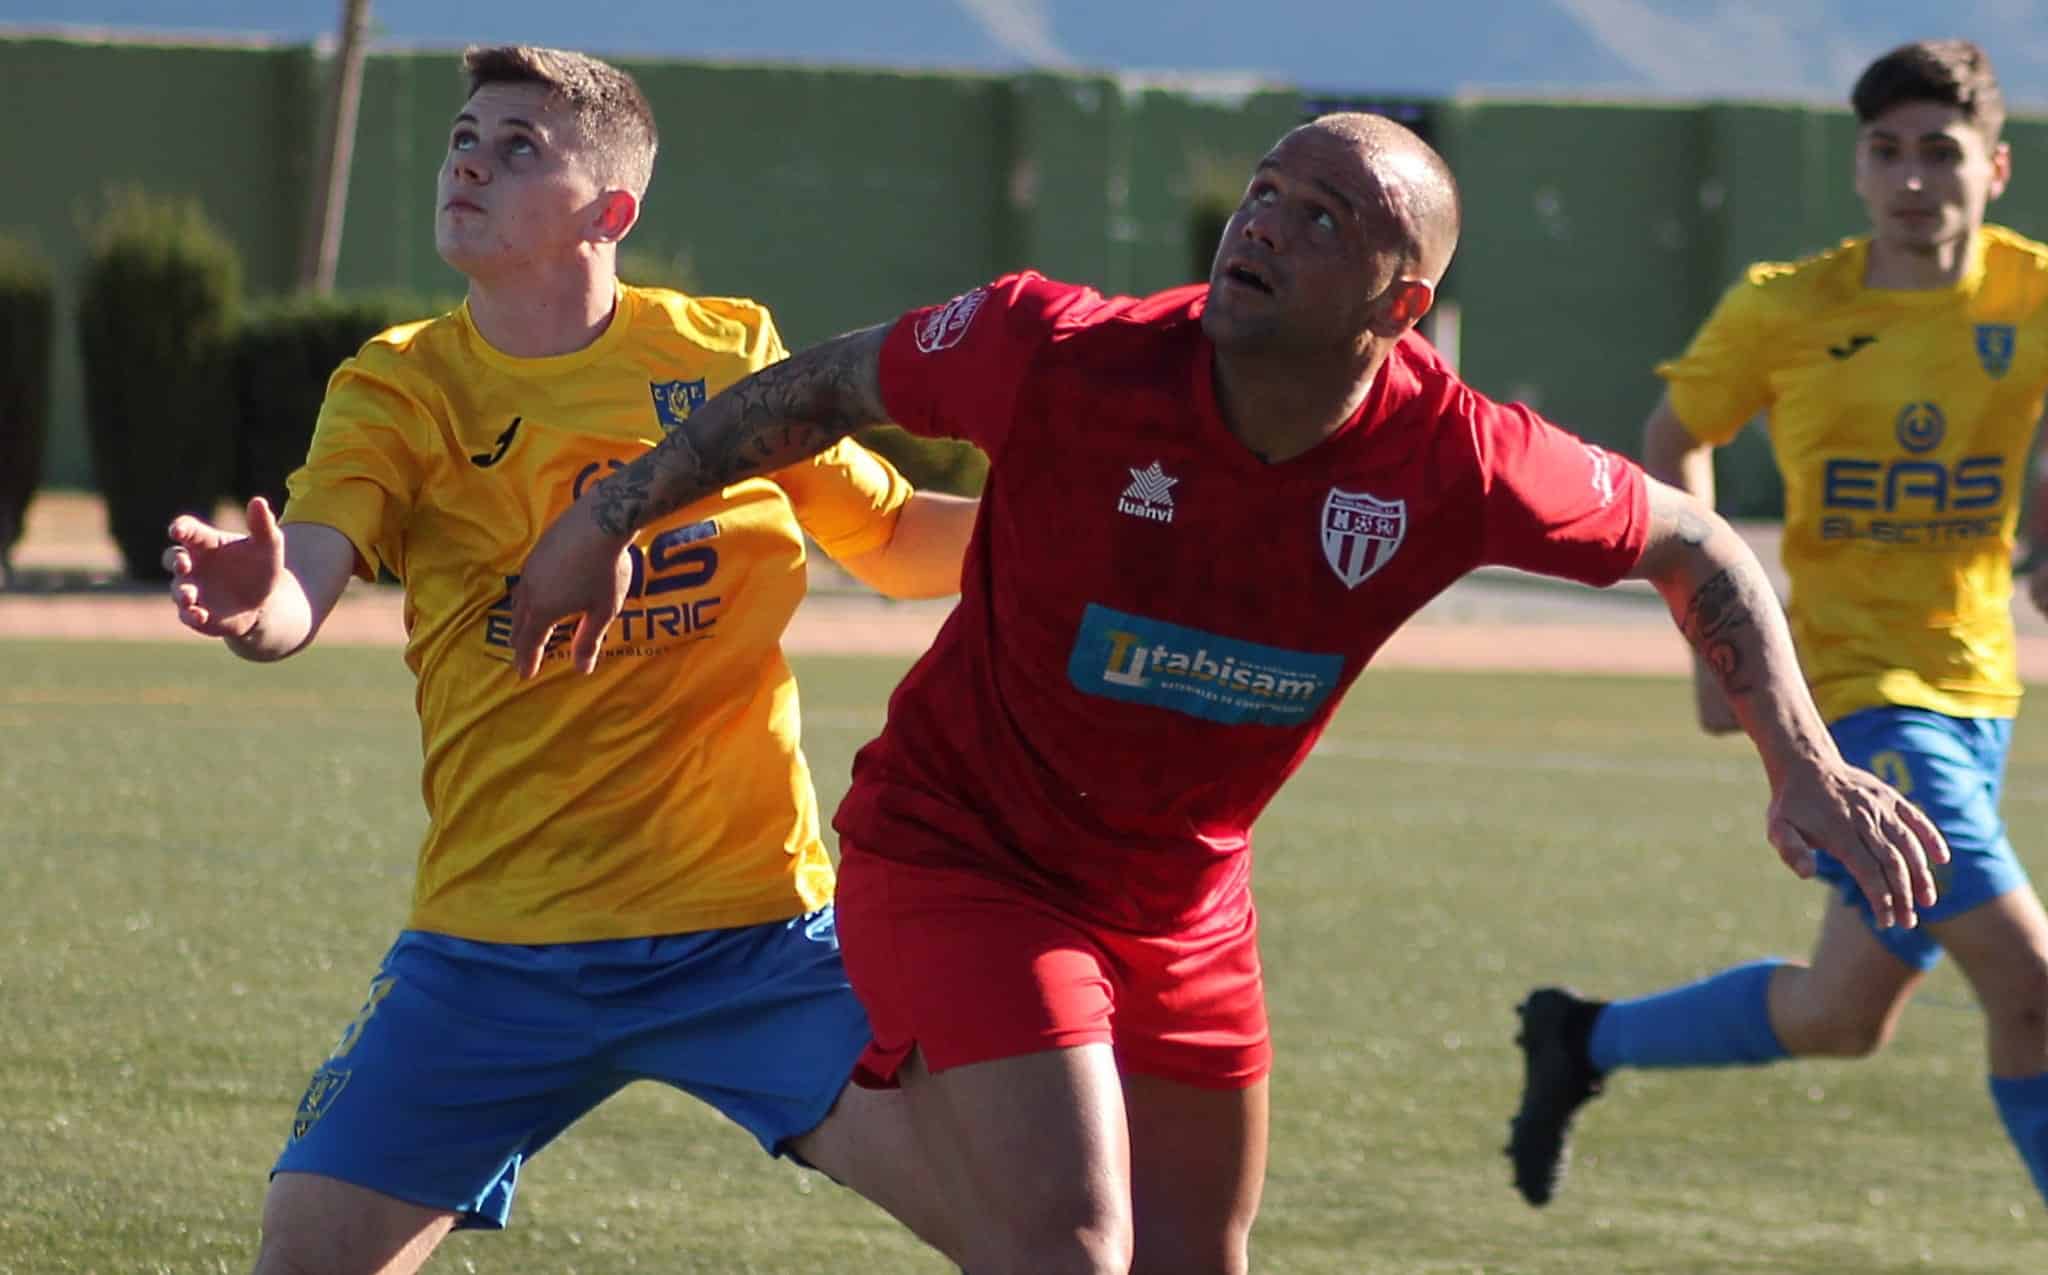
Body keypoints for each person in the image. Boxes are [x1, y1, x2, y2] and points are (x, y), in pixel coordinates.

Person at [507, 110, 1947, 1275]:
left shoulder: (1459, 458)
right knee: (1073, 1247)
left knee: (1197, 1256)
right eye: (1265, 191)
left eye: (1325, 218)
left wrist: (1802, 760)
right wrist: (605, 517)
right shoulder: (1059, 349)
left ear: (1402, 302)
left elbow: (1695, 544)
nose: (1264, 222)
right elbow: (819, 387)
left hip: (1185, 904)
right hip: (964, 860)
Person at [162, 44, 976, 1275]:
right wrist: (254, 604)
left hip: (750, 933)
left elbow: (899, 538)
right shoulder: (400, 387)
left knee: (1037, 1228)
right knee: (307, 1254)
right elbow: (302, 587)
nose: (469, 163)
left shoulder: (721, 355)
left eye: (517, 147)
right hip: (493, 948)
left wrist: (1095, 522)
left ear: (611, 212)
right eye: (462, 140)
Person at [1505, 38, 2048, 1212]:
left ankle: (1579, 1038)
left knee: (1838, 1015)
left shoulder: (2031, 294)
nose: (1911, 179)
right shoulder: (1785, 308)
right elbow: (1672, 438)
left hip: (1976, 691)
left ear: (1994, 169)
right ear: (1856, 167)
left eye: (1939, 152)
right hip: (1855, 696)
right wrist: (1712, 641)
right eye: (1884, 152)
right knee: (2031, 985)